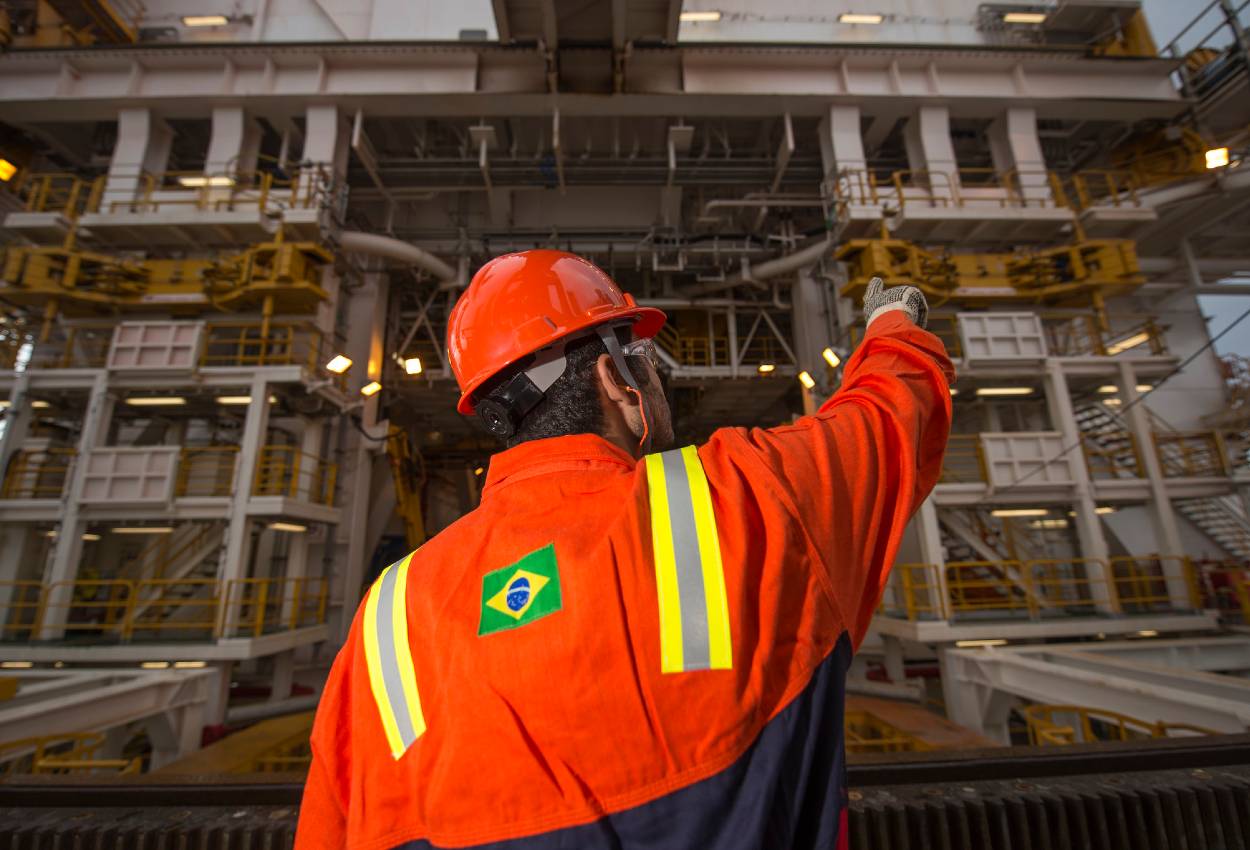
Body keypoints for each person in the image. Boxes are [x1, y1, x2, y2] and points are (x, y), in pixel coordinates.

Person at [295, 249, 953, 850]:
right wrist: (893, 321)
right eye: (649, 364)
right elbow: (891, 413)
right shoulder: (747, 495)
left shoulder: (387, 614)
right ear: (617, 379)